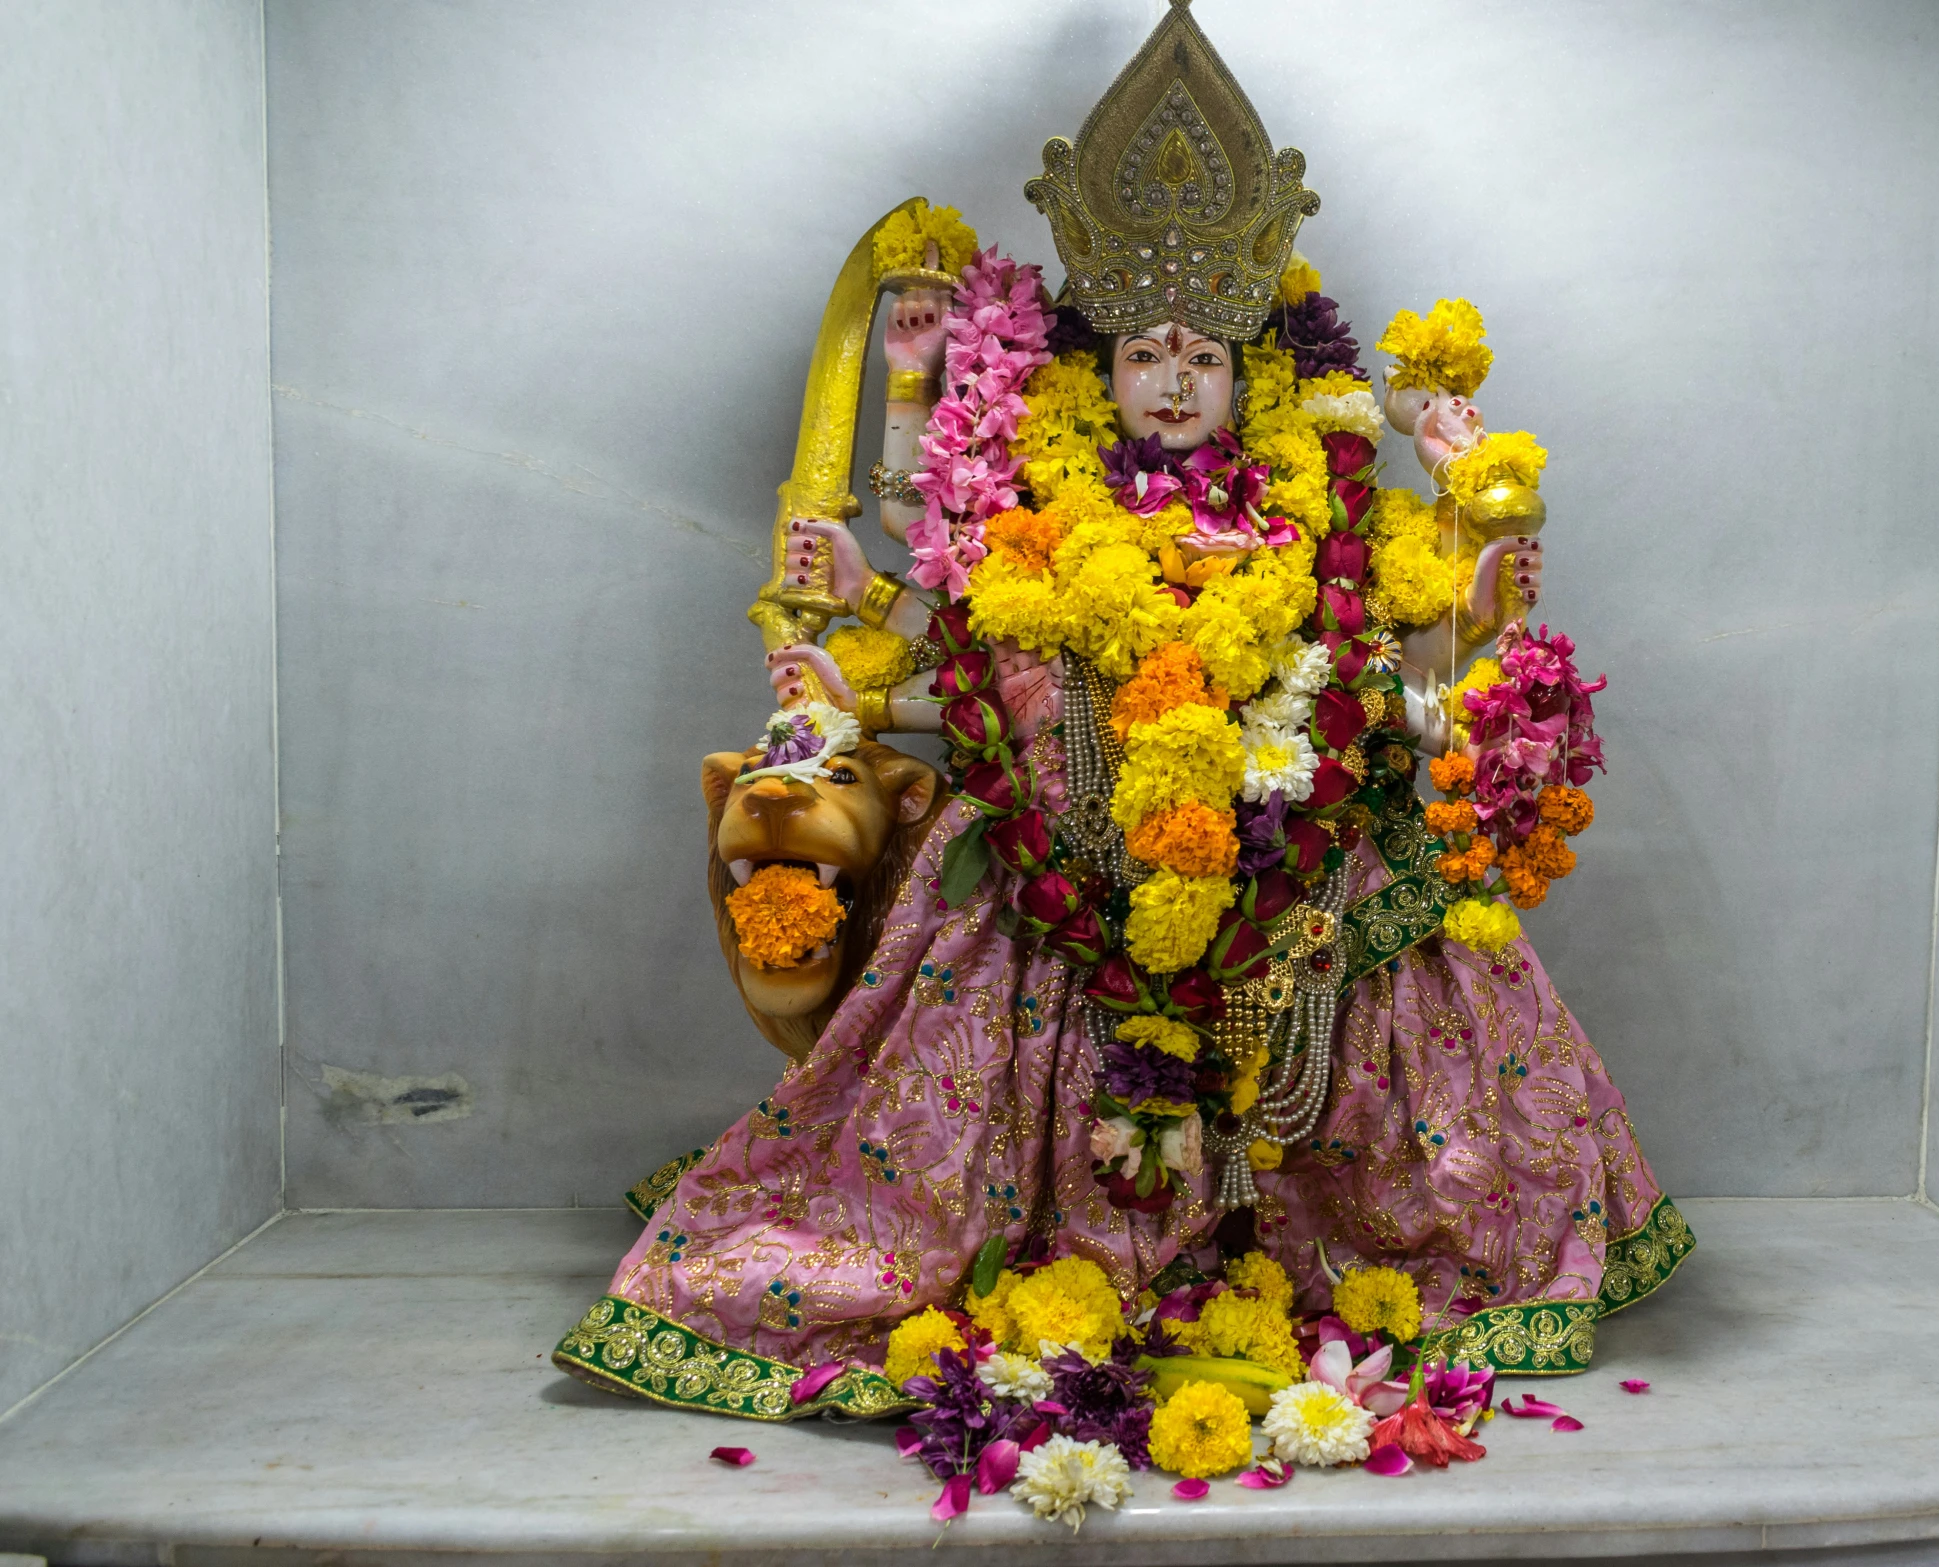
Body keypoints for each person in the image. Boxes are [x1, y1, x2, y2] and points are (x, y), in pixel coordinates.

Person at [556, 0, 1686, 1422]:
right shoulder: (1037, 509)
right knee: (998, 888)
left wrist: (1472, 493)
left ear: (1246, 374)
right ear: (1099, 376)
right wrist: (874, 605)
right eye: (1143, 351)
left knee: (1386, 907)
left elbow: (1453, 644)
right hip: (1061, 877)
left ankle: (1358, 1222)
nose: (1169, 377)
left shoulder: (1316, 508)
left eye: (1199, 355)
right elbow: (975, 660)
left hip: (1290, 866)